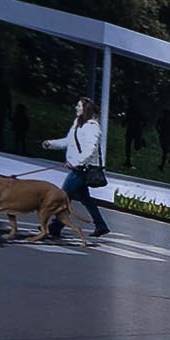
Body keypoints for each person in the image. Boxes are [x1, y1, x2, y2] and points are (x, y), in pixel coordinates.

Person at [42, 96, 108, 238]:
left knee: (62, 196)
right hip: (78, 168)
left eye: (79, 106)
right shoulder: (78, 124)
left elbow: (90, 149)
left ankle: (55, 226)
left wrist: (77, 162)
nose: (76, 108)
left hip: (82, 169)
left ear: (86, 110)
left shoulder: (92, 127)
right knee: (85, 199)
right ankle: (101, 225)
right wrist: (51, 144)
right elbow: (69, 141)